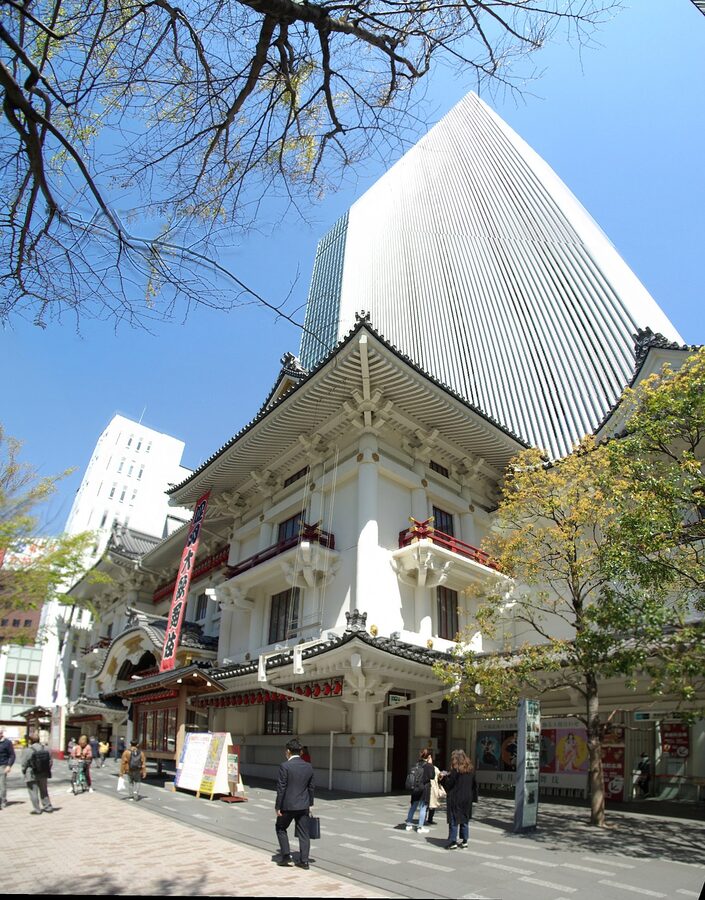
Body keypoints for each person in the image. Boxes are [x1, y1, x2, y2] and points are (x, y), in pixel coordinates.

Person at [274, 738, 315, 870]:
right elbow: (311, 787)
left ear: (288, 752)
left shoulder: (285, 766)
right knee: (304, 832)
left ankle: (286, 856)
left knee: (280, 827)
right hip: (303, 805)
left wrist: (278, 806)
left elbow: (281, 788)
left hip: (288, 805)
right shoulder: (308, 766)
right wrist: (310, 803)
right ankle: (304, 861)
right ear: (301, 752)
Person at [439, 749, 478, 850]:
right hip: (467, 799)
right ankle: (465, 841)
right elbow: (474, 785)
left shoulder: (455, 771)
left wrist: (442, 778)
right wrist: (473, 798)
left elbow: (449, 785)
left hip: (455, 799)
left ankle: (453, 841)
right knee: (465, 820)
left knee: (454, 820)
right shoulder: (470, 770)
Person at [21, 731, 54, 815]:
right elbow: (50, 761)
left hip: (31, 773)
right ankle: (48, 807)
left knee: (33, 792)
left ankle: (37, 809)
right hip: (43, 773)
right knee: (44, 791)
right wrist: (46, 769)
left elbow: (24, 763)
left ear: (29, 741)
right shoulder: (46, 748)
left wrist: (24, 771)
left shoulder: (28, 750)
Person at [404, 748, 435, 833]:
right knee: (423, 808)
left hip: (415, 789)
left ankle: (408, 824)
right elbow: (432, 776)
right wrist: (431, 764)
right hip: (424, 789)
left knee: (413, 807)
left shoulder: (416, 764)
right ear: (429, 756)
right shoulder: (429, 766)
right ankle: (420, 827)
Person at [0, 726, 16, 810]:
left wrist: (9, 765)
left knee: (2, 785)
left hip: (2, 766)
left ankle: (3, 801)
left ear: (1, 733)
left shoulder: (7, 743)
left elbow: (12, 755)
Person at [426, 758, 445, 825]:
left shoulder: (430, 768)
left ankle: (427, 818)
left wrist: (441, 775)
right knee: (431, 804)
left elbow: (439, 776)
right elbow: (440, 777)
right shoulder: (434, 768)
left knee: (429, 804)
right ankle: (428, 819)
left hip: (430, 788)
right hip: (432, 788)